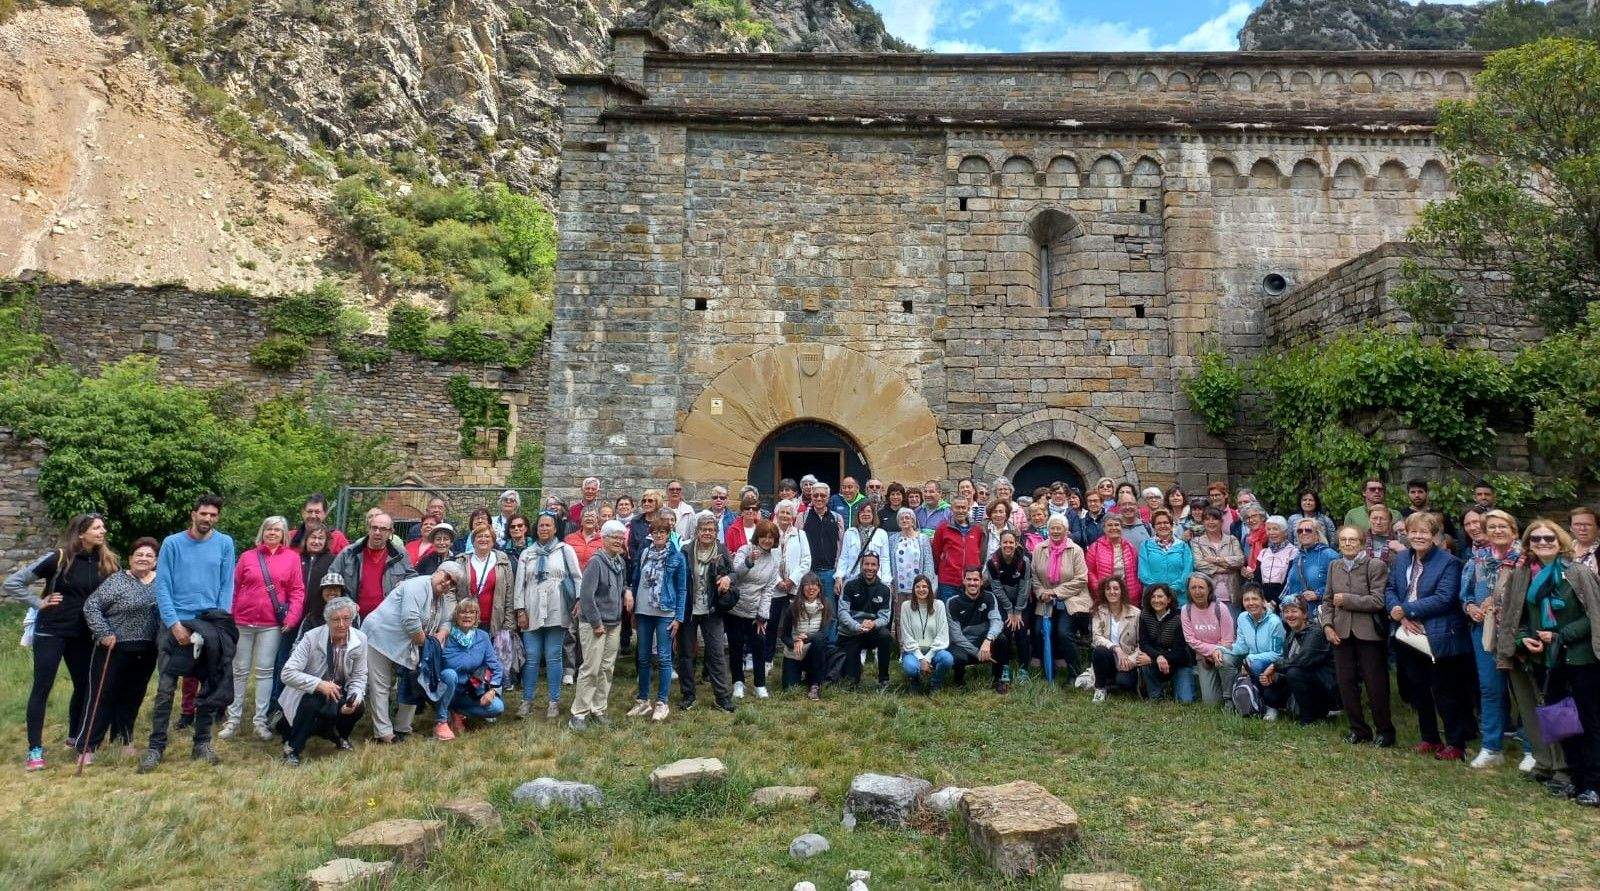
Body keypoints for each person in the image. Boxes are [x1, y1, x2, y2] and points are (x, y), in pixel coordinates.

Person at [5, 513, 119, 771]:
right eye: (97, 528)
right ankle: (34, 750)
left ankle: (75, 737)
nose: (103, 531)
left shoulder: (107, 561)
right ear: (81, 533)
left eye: (103, 527)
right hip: (52, 631)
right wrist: (38, 602)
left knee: (84, 685)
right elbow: (13, 583)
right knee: (42, 688)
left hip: (84, 634)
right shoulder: (58, 558)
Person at [1498, 519, 1600, 804]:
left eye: (1549, 538)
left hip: (1580, 658)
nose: (1543, 543)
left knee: (1588, 721)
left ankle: (1593, 784)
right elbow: (1516, 616)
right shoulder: (1523, 575)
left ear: (1560, 541)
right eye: (1536, 539)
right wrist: (1523, 639)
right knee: (1562, 722)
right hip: (1546, 660)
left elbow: (1594, 615)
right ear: (1528, 544)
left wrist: (1560, 635)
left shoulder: (1577, 572)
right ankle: (1574, 778)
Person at [139, 494, 236, 773]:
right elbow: (163, 586)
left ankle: (202, 743)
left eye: (213, 515)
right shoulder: (172, 543)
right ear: (193, 514)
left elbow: (226, 584)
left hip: (210, 622)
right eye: (203, 513)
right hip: (176, 622)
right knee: (165, 688)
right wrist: (174, 624)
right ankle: (156, 746)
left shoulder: (225, 543)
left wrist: (219, 622)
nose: (208, 519)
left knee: (209, 685)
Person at [1385, 511, 1474, 762]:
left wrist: (1407, 610)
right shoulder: (1402, 559)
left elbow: (1445, 598)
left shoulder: (1449, 562)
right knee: (1418, 688)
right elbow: (1390, 589)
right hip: (1408, 634)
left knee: (1445, 690)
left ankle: (1456, 743)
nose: (1418, 536)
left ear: (1434, 535)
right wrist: (1399, 613)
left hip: (1439, 635)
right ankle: (1430, 738)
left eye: (1424, 532)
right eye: (1413, 531)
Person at [221, 516, 305, 743]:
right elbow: (233, 587)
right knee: (239, 671)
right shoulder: (247, 556)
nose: (272, 533)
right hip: (242, 621)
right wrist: (230, 614)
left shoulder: (292, 558)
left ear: (284, 534)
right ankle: (233, 719)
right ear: (262, 532)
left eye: (277, 529)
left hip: (271, 624)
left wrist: (292, 617)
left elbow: (297, 591)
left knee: (265, 671)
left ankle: (259, 721)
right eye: (268, 529)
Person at [79, 537, 160, 762]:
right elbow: (91, 606)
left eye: (149, 556)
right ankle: (88, 746)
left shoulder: (161, 582)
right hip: (114, 647)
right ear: (130, 558)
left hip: (146, 648)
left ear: (155, 561)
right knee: (102, 697)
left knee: (133, 696)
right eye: (139, 555)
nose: (143, 559)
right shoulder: (117, 580)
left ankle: (123, 739)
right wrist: (103, 632)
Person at [362, 561, 462, 743]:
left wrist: (441, 634)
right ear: (437, 571)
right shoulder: (417, 585)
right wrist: (428, 646)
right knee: (382, 685)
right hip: (379, 637)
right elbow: (411, 622)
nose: (448, 583)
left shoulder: (441, 598)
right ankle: (384, 733)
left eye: (453, 582)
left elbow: (447, 621)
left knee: (412, 682)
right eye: (447, 577)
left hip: (408, 644)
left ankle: (403, 728)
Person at [1322, 524, 1396, 746]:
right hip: (1340, 632)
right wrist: (1327, 626)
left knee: (1375, 684)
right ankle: (1358, 730)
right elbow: (1328, 600)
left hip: (1369, 633)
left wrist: (1347, 599)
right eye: (1343, 540)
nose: (1347, 543)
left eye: (1352, 539)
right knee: (1346, 683)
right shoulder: (1334, 566)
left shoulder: (1375, 565)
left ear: (1362, 543)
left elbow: (1378, 601)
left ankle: (1385, 731)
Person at [1460, 509, 1522, 768]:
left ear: (1513, 531)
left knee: (1524, 690)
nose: (1497, 531)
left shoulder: (1524, 559)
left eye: (1502, 526)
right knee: (1490, 688)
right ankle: (1491, 747)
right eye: (1492, 527)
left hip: (1518, 632)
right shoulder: (1477, 560)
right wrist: (1470, 607)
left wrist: (1498, 602)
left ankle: (1533, 748)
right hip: (1484, 632)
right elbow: (1465, 594)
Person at [276, 596, 365, 765]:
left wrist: (355, 696)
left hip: (339, 689)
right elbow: (287, 673)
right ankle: (293, 748)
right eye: (336, 620)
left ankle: (339, 735)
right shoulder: (311, 637)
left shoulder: (361, 639)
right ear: (327, 621)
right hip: (308, 691)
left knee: (358, 707)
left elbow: (359, 676)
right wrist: (319, 684)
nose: (341, 624)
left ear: (352, 619)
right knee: (313, 702)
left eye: (346, 619)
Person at [514, 514, 579, 720]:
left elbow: (577, 577)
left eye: (548, 525)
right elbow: (519, 585)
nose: (544, 528)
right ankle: (527, 700)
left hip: (557, 609)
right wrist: (520, 610)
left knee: (553, 656)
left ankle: (554, 701)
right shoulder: (527, 553)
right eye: (541, 525)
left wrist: (578, 600)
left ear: (555, 528)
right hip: (531, 610)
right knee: (532, 657)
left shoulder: (565, 550)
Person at [567, 521, 628, 730]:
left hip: (614, 623)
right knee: (590, 669)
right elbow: (586, 596)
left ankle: (598, 708)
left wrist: (627, 592)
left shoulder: (620, 562)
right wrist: (596, 623)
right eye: (615, 537)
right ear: (604, 538)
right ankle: (578, 714)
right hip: (596, 625)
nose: (619, 541)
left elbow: (621, 587)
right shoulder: (596, 562)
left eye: (621, 538)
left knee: (607, 668)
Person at [627, 513, 686, 721]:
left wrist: (678, 617)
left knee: (664, 657)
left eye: (663, 532)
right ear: (651, 534)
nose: (659, 535)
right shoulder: (645, 553)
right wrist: (634, 609)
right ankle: (643, 701)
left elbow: (682, 589)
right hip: (644, 611)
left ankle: (662, 702)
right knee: (643, 657)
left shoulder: (677, 557)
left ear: (669, 534)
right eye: (655, 532)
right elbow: (636, 580)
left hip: (665, 612)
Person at [680, 512, 736, 711]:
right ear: (697, 531)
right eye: (703, 529)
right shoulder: (686, 550)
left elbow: (733, 572)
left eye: (711, 530)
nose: (707, 533)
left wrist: (728, 578)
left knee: (716, 653)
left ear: (716, 532)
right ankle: (688, 695)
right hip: (689, 608)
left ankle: (722, 697)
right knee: (686, 654)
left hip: (712, 609)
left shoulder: (721, 550)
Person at [430, 599, 506, 740]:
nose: (467, 616)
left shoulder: (482, 636)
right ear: (456, 615)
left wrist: (493, 691)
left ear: (477, 616)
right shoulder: (446, 636)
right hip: (446, 688)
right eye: (463, 612)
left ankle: (456, 712)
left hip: (471, 691)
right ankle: (441, 721)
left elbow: (495, 667)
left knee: (497, 707)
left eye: (472, 612)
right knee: (450, 674)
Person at [1260, 594, 1336, 723]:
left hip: (1325, 686)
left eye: (1294, 611)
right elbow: (1287, 664)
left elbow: (1303, 660)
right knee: (1270, 691)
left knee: (1294, 672)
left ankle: (1309, 718)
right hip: (1303, 681)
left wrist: (1275, 666)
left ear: (1305, 614)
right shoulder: (1290, 636)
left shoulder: (1315, 632)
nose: (1290, 615)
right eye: (1286, 612)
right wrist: (1273, 677)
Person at [1032, 513, 1090, 679]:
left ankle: (1074, 673)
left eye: (1059, 528)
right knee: (1039, 631)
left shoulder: (1075, 550)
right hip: (1045, 600)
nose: (1056, 531)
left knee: (1063, 632)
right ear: (1048, 530)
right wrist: (1041, 593)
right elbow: (1034, 576)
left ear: (1066, 530)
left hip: (1071, 599)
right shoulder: (1039, 549)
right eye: (1053, 528)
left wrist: (1056, 592)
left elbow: (1081, 579)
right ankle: (1048, 668)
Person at [728, 520, 781, 699]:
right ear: (757, 537)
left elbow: (769, 589)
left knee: (759, 646)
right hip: (736, 607)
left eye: (771, 537)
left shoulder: (773, 560)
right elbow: (735, 574)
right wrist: (749, 561)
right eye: (764, 536)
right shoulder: (744, 550)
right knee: (736, 647)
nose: (767, 540)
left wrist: (762, 615)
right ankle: (738, 682)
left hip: (755, 611)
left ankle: (760, 685)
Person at [329, 512, 415, 619]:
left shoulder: (400, 555)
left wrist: (406, 584)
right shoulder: (349, 553)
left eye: (383, 529)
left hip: (388, 619)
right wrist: (345, 602)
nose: (377, 532)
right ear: (368, 529)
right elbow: (332, 580)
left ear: (391, 532)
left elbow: (413, 578)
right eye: (374, 528)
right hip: (353, 618)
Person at [831, 552, 894, 688]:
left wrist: (873, 623)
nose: (870, 568)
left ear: (878, 567)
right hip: (851, 633)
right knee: (850, 682)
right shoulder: (849, 584)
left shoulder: (885, 589)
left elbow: (885, 617)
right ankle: (854, 669)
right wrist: (857, 626)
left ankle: (883, 678)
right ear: (861, 565)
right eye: (866, 564)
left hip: (872, 631)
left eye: (873, 565)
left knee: (886, 636)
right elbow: (842, 612)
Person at [947, 566, 1012, 693]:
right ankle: (959, 681)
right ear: (963, 581)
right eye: (969, 579)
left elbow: (997, 621)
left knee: (1001, 639)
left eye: (976, 580)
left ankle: (999, 680)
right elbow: (956, 636)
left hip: (983, 642)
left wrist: (988, 640)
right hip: (963, 645)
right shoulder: (952, 602)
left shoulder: (989, 597)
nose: (972, 583)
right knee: (958, 657)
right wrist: (978, 653)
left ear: (981, 582)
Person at [767, 502, 812, 683]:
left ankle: (798, 658)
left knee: (797, 624)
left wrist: (791, 580)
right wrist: (778, 581)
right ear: (776, 514)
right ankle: (767, 659)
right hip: (775, 586)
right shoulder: (770, 533)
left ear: (793, 516)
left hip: (794, 587)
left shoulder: (800, 535)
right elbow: (767, 559)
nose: (785, 516)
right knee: (771, 624)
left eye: (788, 513)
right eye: (782, 512)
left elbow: (806, 560)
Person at [1229, 587, 1287, 718]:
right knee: (1251, 663)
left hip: (1274, 662)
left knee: (1256, 665)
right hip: (1253, 661)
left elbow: (1277, 653)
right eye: (1246, 599)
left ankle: (1271, 705)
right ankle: (1249, 701)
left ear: (1263, 601)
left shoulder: (1274, 622)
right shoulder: (1242, 618)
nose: (1250, 603)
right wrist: (1222, 649)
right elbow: (1241, 646)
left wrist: (1250, 658)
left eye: (1254, 599)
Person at [984, 529, 1033, 685]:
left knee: (1021, 629)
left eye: (1011, 542)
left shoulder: (1024, 561)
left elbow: (1025, 587)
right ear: (1000, 543)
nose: (1008, 545)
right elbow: (996, 589)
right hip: (1002, 601)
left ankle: (1024, 669)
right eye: (1005, 542)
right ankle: (1004, 666)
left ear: (1016, 543)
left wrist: (1017, 611)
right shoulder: (992, 562)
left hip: (1021, 601)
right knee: (1004, 630)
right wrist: (1009, 610)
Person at [1181, 574, 1236, 706]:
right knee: (1211, 703)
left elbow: (1228, 639)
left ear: (1209, 589)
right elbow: (1190, 640)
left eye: (1201, 587)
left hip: (1225, 654)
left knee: (1225, 661)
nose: (1197, 591)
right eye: (1193, 587)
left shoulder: (1220, 608)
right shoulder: (1186, 610)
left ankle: (1229, 698)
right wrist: (1212, 651)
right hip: (1204, 657)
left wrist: (1218, 651)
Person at [1137, 583, 1195, 703]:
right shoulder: (1145, 615)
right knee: (1144, 659)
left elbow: (1180, 651)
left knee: (1185, 701)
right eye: (1153, 597)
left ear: (1168, 599)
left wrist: (1158, 658)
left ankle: (1176, 684)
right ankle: (1156, 695)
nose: (1156, 600)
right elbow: (1144, 643)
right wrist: (1158, 657)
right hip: (1155, 660)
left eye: (1160, 596)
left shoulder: (1179, 617)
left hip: (1179, 663)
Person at [779, 573, 833, 699]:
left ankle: (815, 684)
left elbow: (824, 634)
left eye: (814, 585)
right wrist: (794, 643)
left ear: (819, 588)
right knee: (789, 688)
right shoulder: (792, 607)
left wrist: (804, 640)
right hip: (795, 652)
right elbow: (784, 635)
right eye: (807, 585)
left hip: (814, 651)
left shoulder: (826, 605)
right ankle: (802, 673)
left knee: (819, 641)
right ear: (802, 588)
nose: (811, 588)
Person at [462, 526, 515, 652]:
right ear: (473, 541)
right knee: (469, 657)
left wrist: (508, 624)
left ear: (493, 541)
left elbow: (509, 594)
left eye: (487, 536)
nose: (483, 539)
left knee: (490, 659)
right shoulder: (462, 561)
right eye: (479, 536)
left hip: (494, 622)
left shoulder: (503, 561)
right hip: (466, 621)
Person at [1089, 577, 1141, 703]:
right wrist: (1116, 648)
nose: (1112, 592)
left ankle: (1113, 682)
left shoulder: (1135, 613)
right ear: (1104, 592)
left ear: (1122, 591)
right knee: (1099, 650)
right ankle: (1100, 688)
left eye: (1116, 588)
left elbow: (1142, 643)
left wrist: (1132, 660)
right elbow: (1096, 637)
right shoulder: (1099, 611)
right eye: (1108, 589)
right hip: (1108, 656)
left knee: (1124, 684)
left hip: (1127, 659)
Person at [899, 575, 954, 694]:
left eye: (924, 586)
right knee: (910, 668)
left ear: (930, 589)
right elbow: (907, 636)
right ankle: (915, 681)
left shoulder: (939, 605)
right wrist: (921, 658)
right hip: (913, 651)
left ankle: (936, 682)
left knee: (947, 659)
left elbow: (942, 634)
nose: (921, 589)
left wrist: (927, 658)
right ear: (913, 589)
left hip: (935, 651)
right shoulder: (906, 606)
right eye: (917, 586)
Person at [1191, 507, 1245, 617]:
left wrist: (1216, 560)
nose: (1211, 522)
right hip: (1208, 596)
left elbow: (1240, 560)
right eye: (1207, 519)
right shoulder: (1197, 542)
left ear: (1221, 521)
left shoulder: (1232, 540)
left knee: (1232, 626)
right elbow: (1199, 565)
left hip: (1232, 595)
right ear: (1203, 522)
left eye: (1214, 519)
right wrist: (1228, 568)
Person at [887, 507, 936, 628]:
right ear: (898, 522)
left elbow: (929, 563)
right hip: (899, 588)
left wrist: (926, 584)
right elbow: (889, 562)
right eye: (901, 519)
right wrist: (891, 583)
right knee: (900, 619)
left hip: (918, 587)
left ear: (913, 521)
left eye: (907, 518)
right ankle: (901, 640)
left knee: (918, 618)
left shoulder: (922, 538)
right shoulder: (893, 539)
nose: (904, 520)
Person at [931, 496, 983, 601]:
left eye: (963, 507)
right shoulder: (942, 528)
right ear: (951, 509)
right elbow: (936, 552)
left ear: (968, 509)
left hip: (970, 581)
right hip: (948, 581)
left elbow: (979, 552)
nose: (961, 511)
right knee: (948, 609)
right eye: (957, 507)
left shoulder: (977, 529)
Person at [839, 501, 894, 597]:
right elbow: (844, 557)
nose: (865, 514)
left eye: (868, 511)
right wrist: (839, 576)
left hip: (875, 579)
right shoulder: (849, 533)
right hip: (853, 578)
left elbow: (885, 559)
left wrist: (886, 581)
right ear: (858, 515)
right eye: (862, 512)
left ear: (873, 515)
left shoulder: (881, 533)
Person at [1284, 518, 1336, 617]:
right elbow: (1289, 586)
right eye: (1300, 531)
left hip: (1320, 614)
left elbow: (1339, 585)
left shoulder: (1330, 555)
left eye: (1308, 530)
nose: (1303, 533)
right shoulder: (1297, 557)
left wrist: (1318, 594)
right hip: (1297, 616)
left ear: (1317, 534)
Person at [1138, 509, 1192, 604]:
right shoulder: (1145, 545)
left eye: (1166, 523)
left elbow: (1188, 570)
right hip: (1153, 598)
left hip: (1178, 598)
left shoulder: (1183, 545)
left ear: (1171, 525)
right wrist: (1158, 591)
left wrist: (1173, 589)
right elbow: (1143, 573)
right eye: (1158, 523)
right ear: (1153, 527)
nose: (1162, 526)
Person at [1086, 514, 1142, 607]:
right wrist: (1100, 590)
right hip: (1105, 596)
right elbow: (1090, 572)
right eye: (1110, 525)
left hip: (1128, 597)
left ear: (1121, 527)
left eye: (1117, 525)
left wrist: (1136, 590)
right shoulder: (1095, 547)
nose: (1114, 528)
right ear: (1104, 529)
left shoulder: (1129, 547)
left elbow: (1136, 571)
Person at [1571, 506, 1598, 572]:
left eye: (1588, 524)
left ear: (1597, 528)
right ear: (1571, 528)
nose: (1582, 528)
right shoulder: (1564, 549)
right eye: (1577, 524)